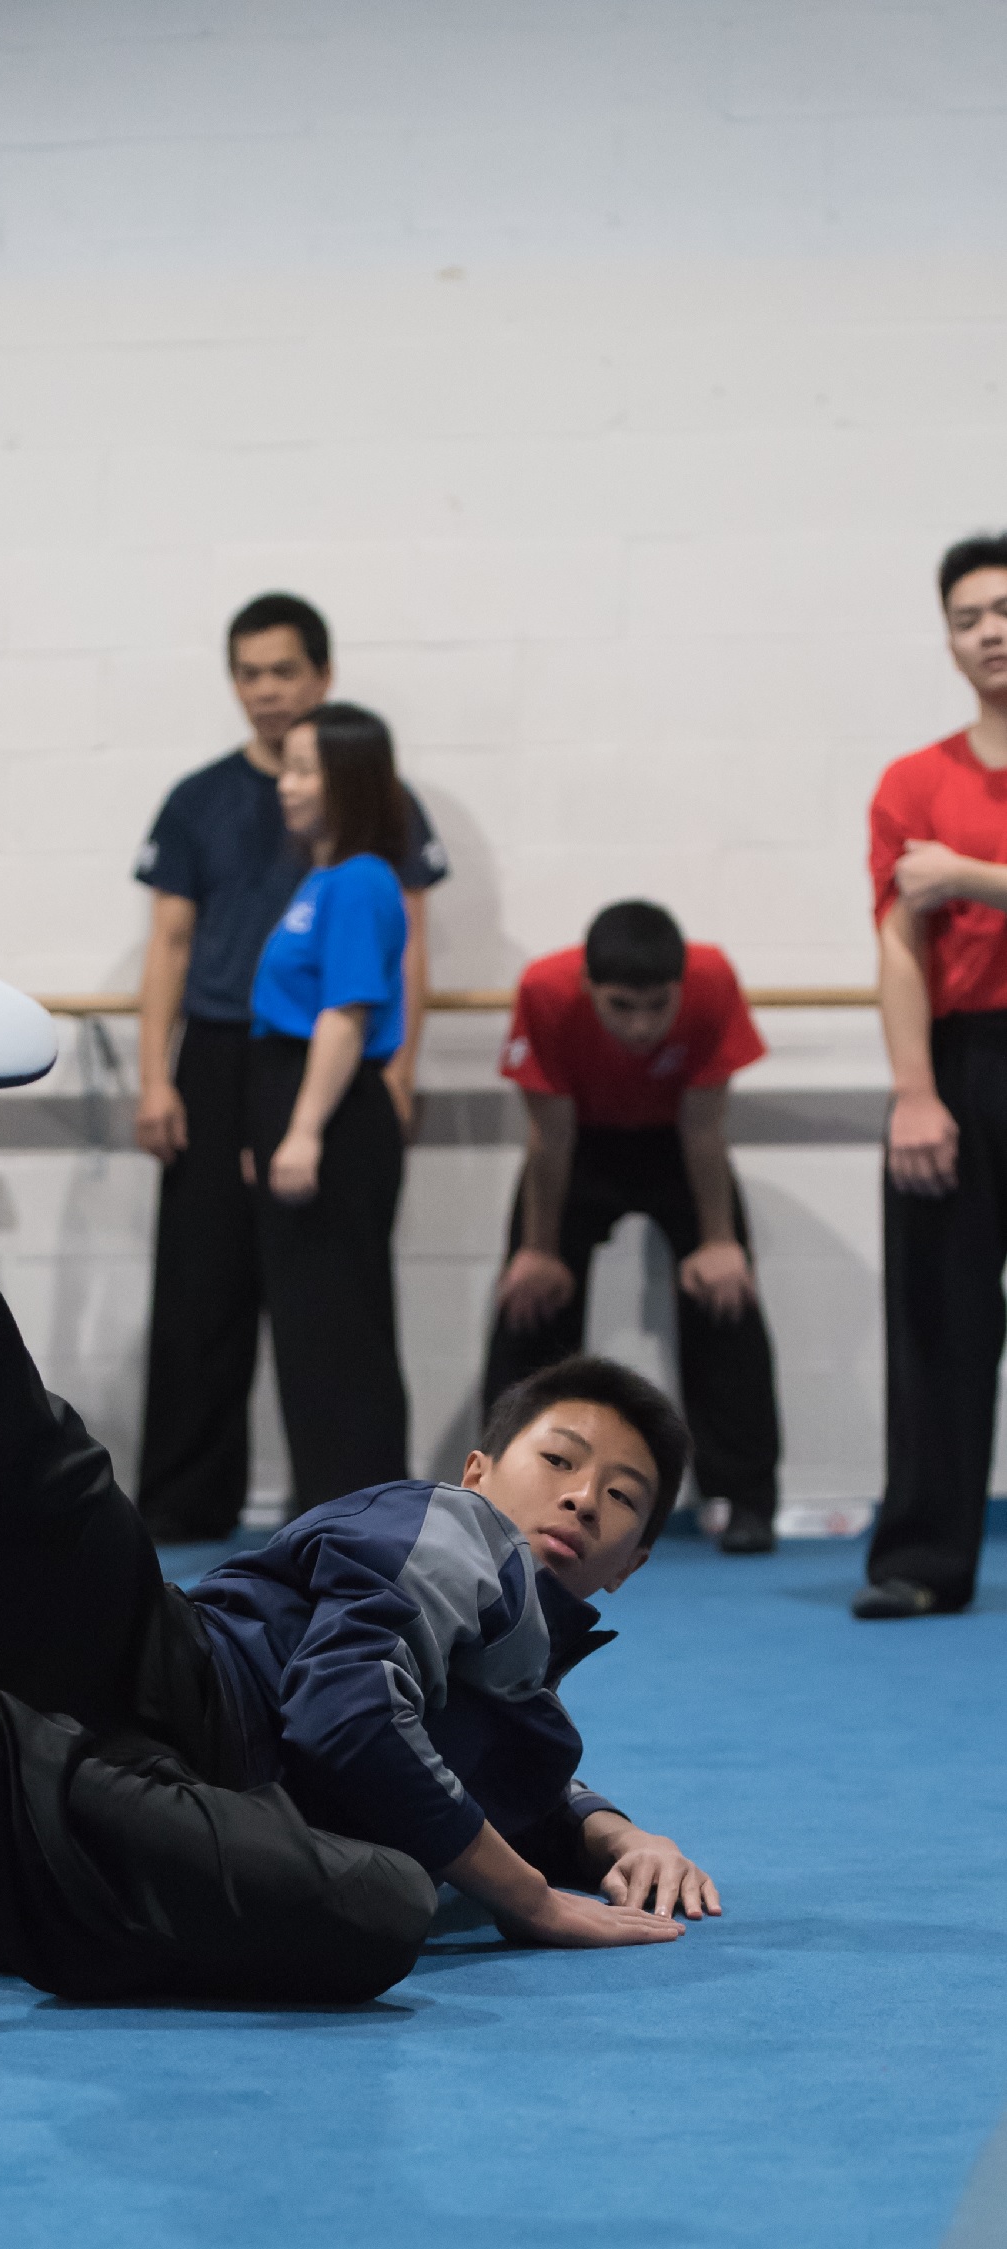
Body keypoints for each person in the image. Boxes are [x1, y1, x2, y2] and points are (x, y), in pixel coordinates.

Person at [0, 957, 720, 2004]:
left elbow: (517, 1776)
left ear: (632, 1565)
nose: (585, 1497)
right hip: (172, 1687)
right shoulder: (461, 1532)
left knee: (379, 1903)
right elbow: (348, 1715)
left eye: (625, 1497)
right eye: (561, 1461)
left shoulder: (526, 1704)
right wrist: (531, 1896)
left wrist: (618, 1834)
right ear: (479, 1471)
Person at [134, 592, 450, 1542]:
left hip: (322, 1063)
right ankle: (189, 1502)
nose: (264, 691)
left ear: (321, 679)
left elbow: (380, 977)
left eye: (283, 672)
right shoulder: (207, 801)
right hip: (236, 1056)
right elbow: (170, 940)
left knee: (329, 1308)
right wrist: (159, 1075)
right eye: (248, 672)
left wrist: (370, 1091)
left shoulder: (364, 846)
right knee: (204, 1291)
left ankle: (354, 1513)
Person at [483, 901, 782, 1557]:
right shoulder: (546, 990)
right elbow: (550, 1136)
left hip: (676, 1142)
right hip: (579, 1144)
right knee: (531, 1304)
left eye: (657, 1006)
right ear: (590, 987)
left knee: (726, 1292)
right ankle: (508, 1499)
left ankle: (747, 1498)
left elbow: (704, 1128)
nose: (642, 1025)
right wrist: (538, 1250)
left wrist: (718, 1241)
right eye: (622, 1006)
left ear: (679, 988)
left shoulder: (711, 982)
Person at [856, 533, 1007, 1619]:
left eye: (1005, 608)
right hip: (963, 1059)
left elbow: (943, 890)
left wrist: (970, 876)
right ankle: (923, 1556)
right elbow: (898, 945)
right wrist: (916, 1088)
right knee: (938, 1315)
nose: (991, 630)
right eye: (969, 617)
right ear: (949, 641)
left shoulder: (952, 844)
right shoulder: (913, 781)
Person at [247, 702, 411, 1512]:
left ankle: (362, 1511)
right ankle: (327, 1507)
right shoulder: (321, 878)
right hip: (298, 1099)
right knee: (307, 1329)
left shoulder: (362, 880)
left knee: (341, 1327)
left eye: (307, 768)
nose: (288, 783)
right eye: (288, 764)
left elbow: (345, 1013)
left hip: (336, 1114)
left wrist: (304, 1129)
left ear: (349, 782)